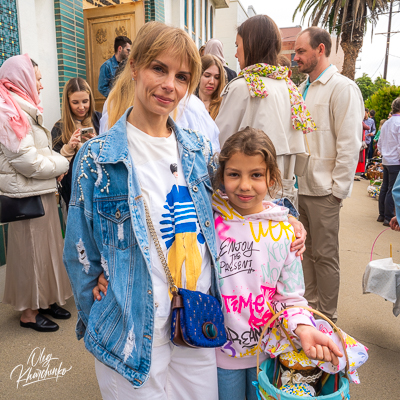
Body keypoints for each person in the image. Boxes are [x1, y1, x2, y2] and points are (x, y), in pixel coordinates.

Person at [63, 21, 221, 399]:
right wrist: (102, 306)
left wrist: (288, 223)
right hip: (130, 333)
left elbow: (237, 205)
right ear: (134, 66)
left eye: (182, 76)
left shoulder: (199, 151)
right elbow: (79, 253)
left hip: (196, 322)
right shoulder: (97, 159)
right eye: (159, 68)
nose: (170, 85)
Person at [213, 127, 342, 400]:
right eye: (234, 174)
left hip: (269, 353)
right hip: (218, 354)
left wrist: (304, 328)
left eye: (256, 175)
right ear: (221, 176)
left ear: (271, 177)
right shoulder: (208, 222)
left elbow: (292, 298)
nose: (245, 185)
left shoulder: (285, 233)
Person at [294, 26, 364, 322]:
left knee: (325, 257)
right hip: (299, 189)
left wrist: (338, 191)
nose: (295, 57)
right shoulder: (300, 90)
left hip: (325, 192)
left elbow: (350, 143)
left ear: (320, 49)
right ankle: (309, 313)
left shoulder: (343, 88)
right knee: (303, 255)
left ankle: (328, 319)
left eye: (300, 51)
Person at [0, 54, 71, 332]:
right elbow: (26, 162)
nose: (41, 85)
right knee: (31, 253)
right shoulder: (8, 113)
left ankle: (45, 300)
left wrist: (54, 165)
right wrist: (62, 163)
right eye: (38, 79)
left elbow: (38, 154)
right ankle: (29, 312)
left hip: (39, 189)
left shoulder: (21, 108)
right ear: (23, 79)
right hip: (25, 196)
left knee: (47, 249)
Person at [216, 14, 315, 206]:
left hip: (246, 199)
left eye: (238, 45)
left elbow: (220, 145)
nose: (236, 53)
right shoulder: (289, 87)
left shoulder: (243, 86)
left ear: (251, 44)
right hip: (283, 195)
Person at [51, 77, 101, 213]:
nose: (81, 107)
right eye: (75, 102)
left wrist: (97, 142)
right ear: (67, 103)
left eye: (85, 101)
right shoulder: (59, 128)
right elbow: (55, 166)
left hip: (99, 190)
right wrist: (69, 147)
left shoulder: (100, 120)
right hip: (72, 194)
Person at [377, 98, 400, 226]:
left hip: (386, 159)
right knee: (393, 189)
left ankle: (381, 214)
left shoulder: (387, 122)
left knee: (385, 187)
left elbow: (380, 142)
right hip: (396, 160)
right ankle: (388, 216)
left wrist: (382, 152)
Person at [195, 54, 226, 120]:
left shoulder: (223, 106)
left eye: (217, 77)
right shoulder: (188, 103)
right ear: (198, 75)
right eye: (207, 76)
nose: (212, 82)